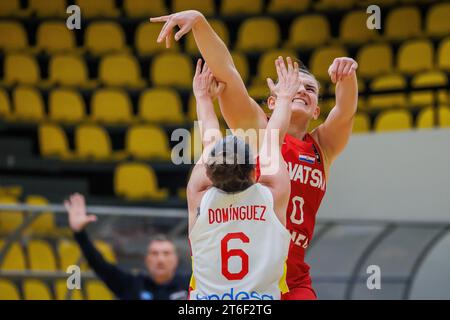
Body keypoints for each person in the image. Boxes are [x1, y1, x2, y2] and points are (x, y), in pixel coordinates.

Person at [150, 10, 359, 300]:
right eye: (293, 85)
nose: (301, 90)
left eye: (310, 88)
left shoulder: (321, 146)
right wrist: (201, 24)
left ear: (316, 110)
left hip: (292, 274)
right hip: (247, 270)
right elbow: (227, 74)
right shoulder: (260, 132)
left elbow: (346, 112)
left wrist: (347, 76)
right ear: (273, 101)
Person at [186, 56, 298, 300]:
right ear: (254, 171)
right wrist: (286, 97)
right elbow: (273, 137)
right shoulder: (271, 195)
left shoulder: (199, 197)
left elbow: (209, 139)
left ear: (208, 173)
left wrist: (202, 97)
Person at [64, 193, 188, 300]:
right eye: (154, 253)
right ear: (146, 259)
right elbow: (99, 265)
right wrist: (79, 233)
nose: (160, 259)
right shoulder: (131, 285)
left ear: (176, 259)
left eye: (166, 253)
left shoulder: (190, 286)